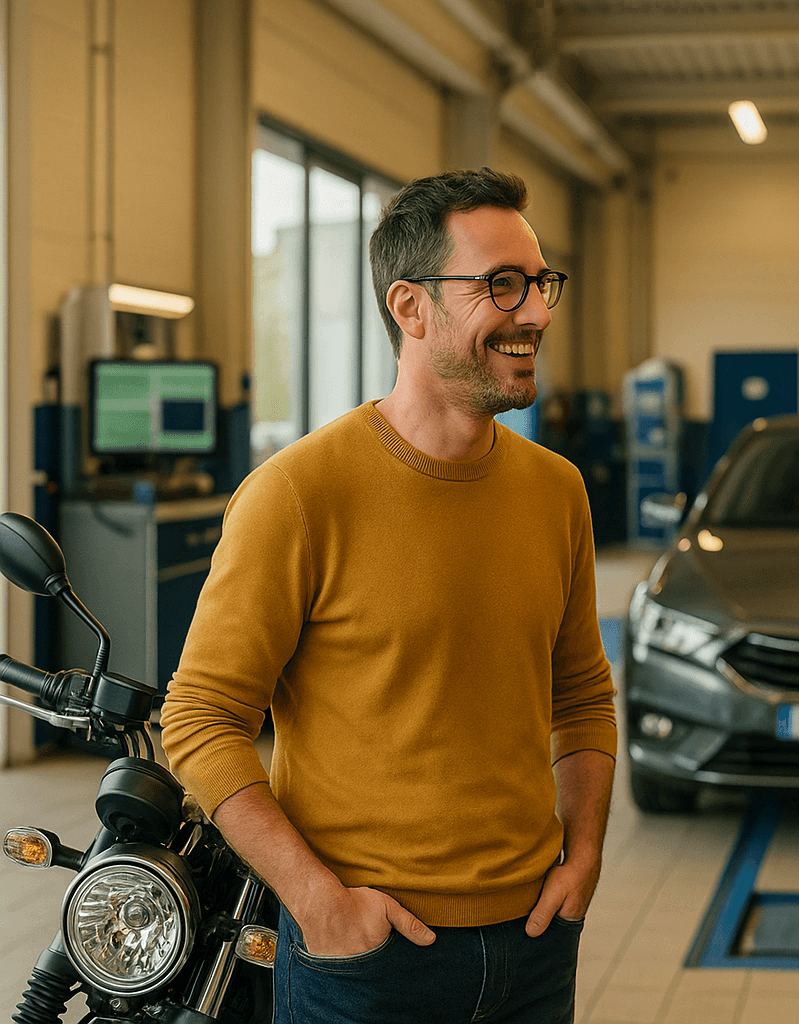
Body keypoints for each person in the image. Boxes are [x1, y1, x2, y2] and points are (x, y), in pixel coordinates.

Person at [162, 167, 617, 1024]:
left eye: (541, 283)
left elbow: (584, 695)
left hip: (535, 943)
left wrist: (583, 853)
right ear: (410, 308)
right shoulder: (299, 493)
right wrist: (319, 903)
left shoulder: (557, 492)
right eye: (502, 286)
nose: (537, 314)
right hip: (367, 960)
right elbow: (199, 717)